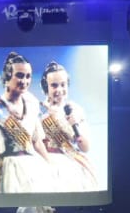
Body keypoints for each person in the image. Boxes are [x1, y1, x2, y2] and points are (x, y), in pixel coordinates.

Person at [0, 52, 56, 194]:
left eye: (28, 76)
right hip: (6, 172)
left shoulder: (32, 103)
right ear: (7, 77)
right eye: (19, 75)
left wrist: (50, 165)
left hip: (32, 168)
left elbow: (37, 142)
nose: (24, 81)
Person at [39, 60, 99, 192]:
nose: (59, 90)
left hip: (71, 165)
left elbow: (85, 147)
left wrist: (75, 125)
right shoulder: (37, 110)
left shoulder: (75, 110)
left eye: (63, 85)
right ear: (46, 87)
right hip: (44, 164)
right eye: (54, 85)